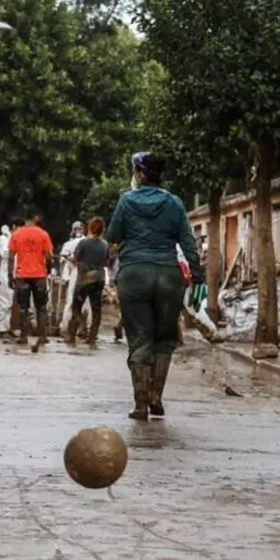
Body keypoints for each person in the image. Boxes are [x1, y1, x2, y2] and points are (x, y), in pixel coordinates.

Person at [106, 152, 200, 420]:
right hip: (169, 276)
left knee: (139, 339)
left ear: (140, 173)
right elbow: (188, 242)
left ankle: (140, 404)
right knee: (164, 339)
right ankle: (157, 398)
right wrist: (198, 273)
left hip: (134, 274)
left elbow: (113, 236)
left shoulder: (126, 201)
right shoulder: (175, 203)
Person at [8, 209, 54, 349]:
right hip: (39, 275)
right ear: (36, 217)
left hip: (22, 275)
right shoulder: (43, 234)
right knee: (41, 307)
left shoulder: (16, 234)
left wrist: (10, 275)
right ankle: (42, 336)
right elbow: (49, 256)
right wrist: (49, 269)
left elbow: (11, 257)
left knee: (23, 307)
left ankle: (23, 336)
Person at [66, 217, 110, 346]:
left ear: (90, 228)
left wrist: (70, 259)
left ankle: (71, 335)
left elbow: (75, 259)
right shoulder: (105, 244)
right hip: (99, 277)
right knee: (96, 309)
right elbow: (106, 262)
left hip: (85, 278)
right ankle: (92, 337)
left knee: (76, 306)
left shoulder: (84, 243)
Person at [0, 217, 24, 338]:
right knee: (3, 301)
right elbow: (5, 253)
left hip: (14, 273)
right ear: (14, 227)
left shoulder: (16, 239)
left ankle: (9, 327)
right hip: (3, 272)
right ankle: (2, 329)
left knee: (12, 301)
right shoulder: (3, 239)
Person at [58, 220, 86, 333]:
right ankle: (66, 326)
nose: (78, 231)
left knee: (84, 302)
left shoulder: (86, 241)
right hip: (75, 272)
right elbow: (63, 261)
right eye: (76, 229)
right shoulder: (69, 243)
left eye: (79, 229)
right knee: (71, 300)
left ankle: (83, 328)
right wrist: (66, 277)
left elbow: (64, 258)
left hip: (82, 271)